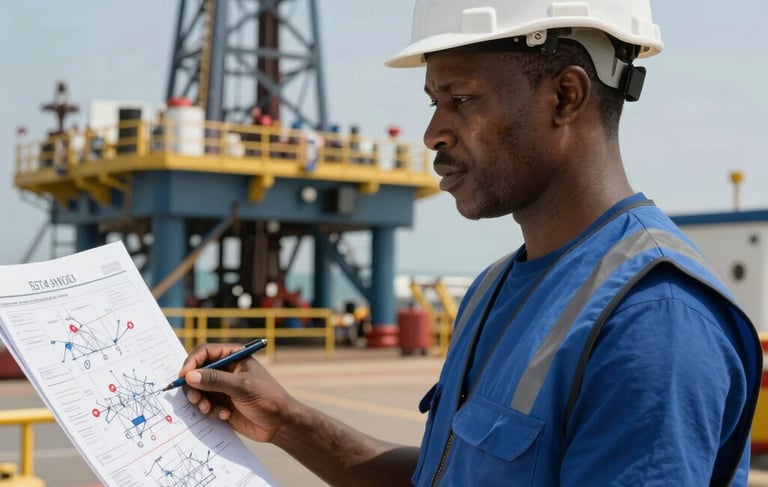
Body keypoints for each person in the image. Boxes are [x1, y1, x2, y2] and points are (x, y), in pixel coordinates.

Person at [177, 1, 763, 485]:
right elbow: (444, 476)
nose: (433, 133)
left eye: (462, 100)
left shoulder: (652, 320)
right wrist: (286, 421)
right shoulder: (494, 289)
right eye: (434, 103)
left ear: (565, 97)